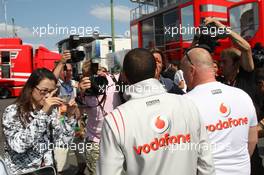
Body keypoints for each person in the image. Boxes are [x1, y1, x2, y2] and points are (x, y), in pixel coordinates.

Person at [97, 48, 215, 175]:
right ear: (155, 70)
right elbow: (206, 162)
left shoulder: (116, 120)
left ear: (124, 75)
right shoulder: (187, 104)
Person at [181, 47, 258, 175]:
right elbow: (252, 141)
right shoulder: (242, 95)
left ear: (191, 71)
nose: (184, 79)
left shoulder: (184, 103)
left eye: (183, 74)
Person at [2, 68, 78, 174]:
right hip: (22, 172)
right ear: (31, 88)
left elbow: (63, 143)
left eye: (52, 92)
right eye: (44, 91)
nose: (48, 96)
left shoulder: (52, 111)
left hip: (48, 170)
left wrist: (69, 116)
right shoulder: (13, 111)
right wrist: (43, 113)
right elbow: (18, 146)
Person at [77, 59, 121, 175]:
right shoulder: (85, 90)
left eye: (98, 71)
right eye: (90, 75)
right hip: (94, 141)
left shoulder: (114, 80)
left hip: (116, 140)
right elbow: (78, 115)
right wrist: (80, 93)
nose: (95, 77)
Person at [53, 51, 86, 175]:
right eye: (66, 70)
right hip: (61, 123)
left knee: (81, 152)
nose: (69, 73)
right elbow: (53, 78)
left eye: (71, 70)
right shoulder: (56, 84)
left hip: (75, 123)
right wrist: (62, 62)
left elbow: (83, 93)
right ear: (60, 70)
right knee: (61, 156)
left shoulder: (73, 83)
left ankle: (81, 171)